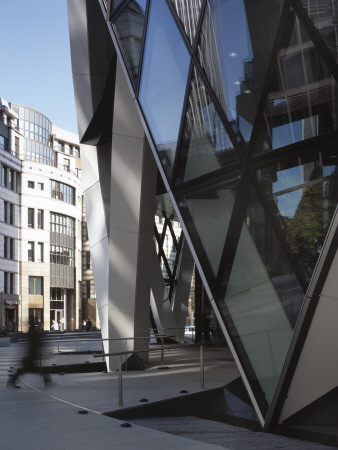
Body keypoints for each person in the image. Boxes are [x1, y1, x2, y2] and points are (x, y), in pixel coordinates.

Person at [7, 320, 53, 388]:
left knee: (29, 370)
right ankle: (47, 381)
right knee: (30, 370)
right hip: (32, 357)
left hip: (31, 356)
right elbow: (37, 342)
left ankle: (47, 381)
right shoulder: (34, 334)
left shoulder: (31, 333)